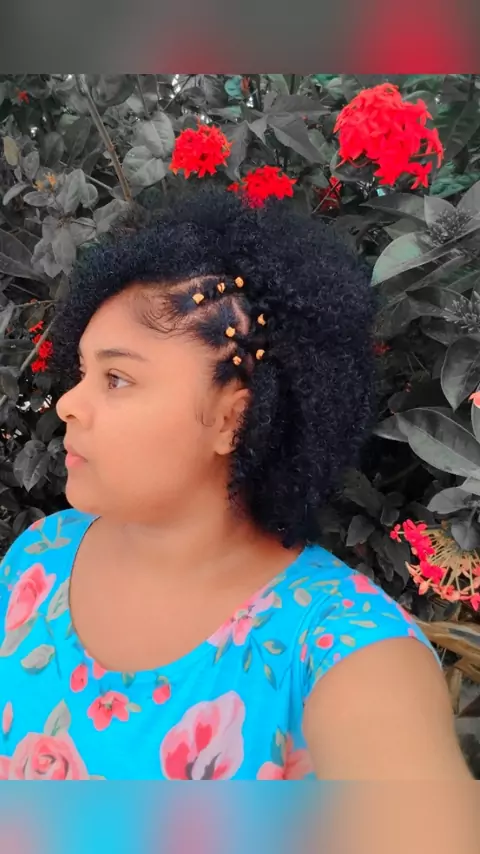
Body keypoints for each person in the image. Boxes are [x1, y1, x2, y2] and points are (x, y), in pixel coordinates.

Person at [0, 186, 470, 782]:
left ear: (232, 420)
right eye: (83, 371)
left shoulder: (340, 650)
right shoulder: (41, 556)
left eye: (116, 378)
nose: (68, 402)